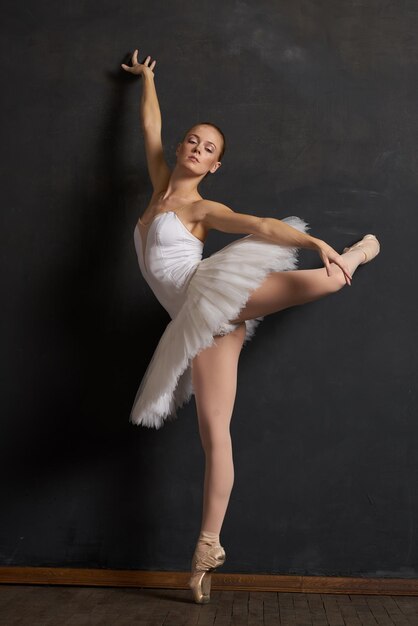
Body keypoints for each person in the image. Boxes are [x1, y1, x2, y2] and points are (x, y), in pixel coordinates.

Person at [121, 50, 380, 604]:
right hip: (200, 325)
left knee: (331, 279)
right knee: (215, 436)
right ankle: (208, 548)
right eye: (193, 140)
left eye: (209, 148)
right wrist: (147, 79)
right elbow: (150, 126)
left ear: (215, 166)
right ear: (181, 148)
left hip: (213, 291)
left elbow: (259, 225)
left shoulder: (200, 208)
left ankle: (358, 252)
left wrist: (313, 242)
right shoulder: (158, 186)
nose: (196, 148)